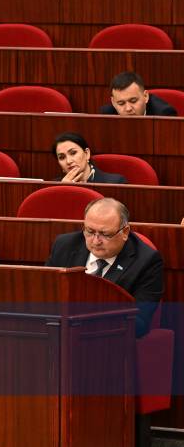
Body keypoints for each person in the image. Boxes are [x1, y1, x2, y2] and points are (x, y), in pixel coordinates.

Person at [45, 198, 163, 337]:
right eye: (90, 231)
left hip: (109, 339)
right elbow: (44, 296)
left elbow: (140, 324)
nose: (96, 241)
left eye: (105, 234)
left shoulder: (146, 261)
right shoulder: (65, 245)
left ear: (125, 232)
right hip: (59, 333)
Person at [51, 132, 127, 184]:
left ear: (87, 154)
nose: (68, 161)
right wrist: (63, 190)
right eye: (62, 157)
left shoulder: (114, 183)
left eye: (73, 153)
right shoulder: (55, 186)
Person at [99, 72, 177, 117]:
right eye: (121, 103)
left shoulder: (164, 114)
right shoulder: (106, 115)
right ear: (113, 102)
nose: (128, 109)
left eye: (133, 101)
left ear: (145, 96)